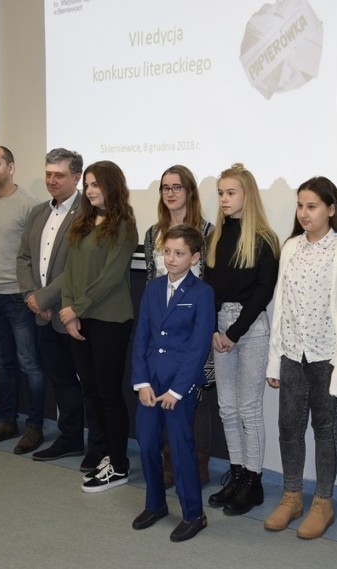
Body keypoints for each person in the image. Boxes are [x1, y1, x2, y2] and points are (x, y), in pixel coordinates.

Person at [264, 176, 337, 540]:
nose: (304, 213)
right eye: (300, 206)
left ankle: (323, 501)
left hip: (328, 358)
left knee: (325, 430)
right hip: (294, 354)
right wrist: (275, 360)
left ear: (331, 209)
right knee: (289, 426)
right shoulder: (291, 247)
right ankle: (292, 495)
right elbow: (281, 307)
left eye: (312, 206)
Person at [17, 148, 107, 468]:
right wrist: (32, 296)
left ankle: (99, 446)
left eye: (59, 175)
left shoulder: (90, 212)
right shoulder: (39, 212)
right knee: (61, 381)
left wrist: (44, 299)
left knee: (90, 384)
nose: (51, 180)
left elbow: (77, 269)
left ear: (76, 177)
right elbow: (24, 257)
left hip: (75, 315)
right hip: (42, 316)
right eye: (48, 174)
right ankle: (69, 438)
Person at [132, 224, 216, 542]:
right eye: (166, 251)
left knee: (181, 450)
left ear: (194, 257)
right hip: (151, 382)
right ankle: (155, 504)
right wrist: (141, 382)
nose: (171, 258)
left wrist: (177, 390)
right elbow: (142, 336)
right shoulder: (153, 288)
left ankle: (194, 514)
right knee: (148, 443)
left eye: (179, 253)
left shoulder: (202, 293)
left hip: (180, 386)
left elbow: (198, 346)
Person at [204, 163, 280, 516]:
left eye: (230, 192)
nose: (223, 199)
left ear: (247, 195)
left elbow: (263, 292)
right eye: (220, 193)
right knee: (227, 408)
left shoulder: (264, 239)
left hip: (250, 329)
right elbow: (210, 289)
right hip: (220, 329)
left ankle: (253, 481)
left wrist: (234, 332)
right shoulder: (215, 237)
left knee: (249, 408)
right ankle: (235, 475)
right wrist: (215, 330)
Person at [61, 160, 138, 493]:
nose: (90, 190)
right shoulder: (81, 222)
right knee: (91, 391)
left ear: (111, 186)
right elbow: (70, 270)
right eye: (87, 184)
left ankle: (119, 465)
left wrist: (77, 307)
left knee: (108, 394)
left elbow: (109, 278)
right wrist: (69, 310)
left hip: (110, 320)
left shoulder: (124, 225)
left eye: (96, 184)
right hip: (79, 318)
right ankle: (104, 453)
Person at [143, 164, 215, 487]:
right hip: (162, 330)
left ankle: (197, 464)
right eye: (165, 187)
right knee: (162, 395)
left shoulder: (209, 231)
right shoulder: (152, 234)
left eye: (177, 187)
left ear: (189, 191)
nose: (170, 193)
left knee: (193, 396)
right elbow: (149, 280)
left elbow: (211, 282)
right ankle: (170, 461)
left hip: (194, 328)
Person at [0, 145, 47, 455]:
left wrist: (30, 293)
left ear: (11, 167)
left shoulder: (29, 206)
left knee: (30, 365)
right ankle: (7, 421)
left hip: (18, 298)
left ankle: (34, 426)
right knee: (1, 362)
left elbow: (33, 256)